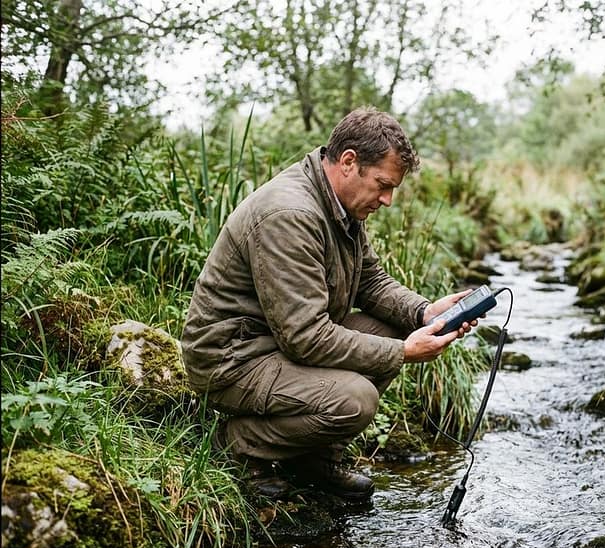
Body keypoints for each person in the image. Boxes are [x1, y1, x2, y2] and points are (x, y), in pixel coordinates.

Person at [181, 107, 476, 502]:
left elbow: (371, 283)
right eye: (383, 185)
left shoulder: (341, 205)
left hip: (275, 345)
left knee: (393, 327)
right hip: (232, 359)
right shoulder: (290, 214)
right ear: (349, 162)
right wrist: (403, 352)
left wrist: (425, 313)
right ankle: (238, 443)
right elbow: (305, 337)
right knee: (355, 399)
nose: (387, 200)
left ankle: (312, 458)